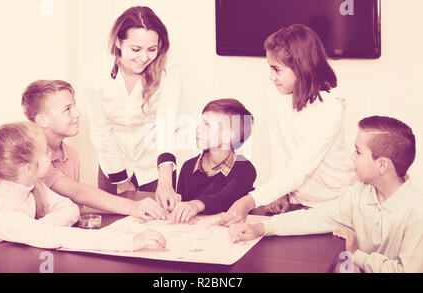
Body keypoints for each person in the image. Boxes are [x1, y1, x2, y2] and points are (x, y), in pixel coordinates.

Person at [229, 116, 423, 273]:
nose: (351, 157)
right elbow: (314, 218)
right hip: (359, 265)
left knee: (346, 261)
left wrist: (356, 254)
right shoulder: (359, 194)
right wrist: (262, 227)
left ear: (382, 165)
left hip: (363, 260)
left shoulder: (417, 212)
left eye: (358, 152)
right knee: (341, 265)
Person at [218, 24, 355, 225]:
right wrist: (280, 194)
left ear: (301, 67)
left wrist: (250, 200)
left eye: (276, 69)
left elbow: (301, 168)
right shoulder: (273, 92)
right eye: (269, 67)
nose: (271, 76)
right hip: (296, 200)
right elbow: (279, 145)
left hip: (333, 203)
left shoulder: (331, 107)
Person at [0, 122, 166, 252]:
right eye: (44, 151)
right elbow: (61, 237)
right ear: (29, 168)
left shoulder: (34, 186)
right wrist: (130, 242)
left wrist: (40, 227)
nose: (50, 153)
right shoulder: (1, 212)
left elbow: (70, 208)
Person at [82, 6, 182, 212]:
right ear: (118, 42)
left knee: (160, 227)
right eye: (136, 49)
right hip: (112, 164)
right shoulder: (95, 71)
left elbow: (167, 125)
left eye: (152, 49)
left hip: (155, 166)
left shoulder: (169, 71)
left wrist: (165, 182)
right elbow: (101, 131)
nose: (144, 57)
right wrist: (121, 181)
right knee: (112, 232)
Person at [21, 80, 166, 220]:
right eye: (67, 109)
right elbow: (78, 193)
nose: (78, 113)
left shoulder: (71, 154)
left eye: (74, 106)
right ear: (42, 120)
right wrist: (132, 207)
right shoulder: (34, 158)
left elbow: (74, 204)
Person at [171, 99, 256, 223]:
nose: (198, 129)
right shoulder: (188, 167)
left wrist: (197, 204)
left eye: (207, 125)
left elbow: (226, 197)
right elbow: (181, 210)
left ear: (228, 136)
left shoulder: (245, 170)